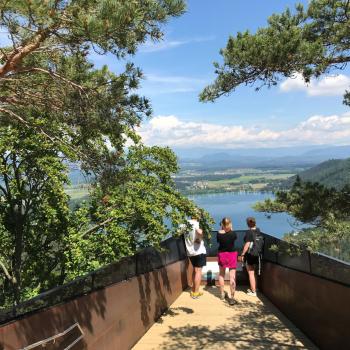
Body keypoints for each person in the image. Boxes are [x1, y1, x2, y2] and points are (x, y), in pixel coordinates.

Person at [184, 213, 206, 299]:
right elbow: (199, 232)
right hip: (199, 251)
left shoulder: (185, 224)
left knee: (195, 270)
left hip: (190, 251)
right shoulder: (196, 224)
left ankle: (194, 290)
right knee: (198, 271)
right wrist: (199, 238)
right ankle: (196, 293)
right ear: (198, 216)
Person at [217, 217, 238, 305]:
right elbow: (233, 238)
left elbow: (219, 240)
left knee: (221, 274)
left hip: (222, 254)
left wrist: (222, 228)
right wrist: (230, 228)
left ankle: (222, 294)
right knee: (232, 276)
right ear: (230, 224)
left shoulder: (218, 233)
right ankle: (232, 297)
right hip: (232, 254)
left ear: (222, 224)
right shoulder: (233, 234)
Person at [241, 217, 260, 297]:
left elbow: (247, 244)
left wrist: (242, 254)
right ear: (255, 223)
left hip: (250, 254)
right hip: (257, 254)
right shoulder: (258, 230)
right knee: (254, 272)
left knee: (250, 272)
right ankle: (255, 288)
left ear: (248, 224)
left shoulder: (249, 232)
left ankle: (253, 291)